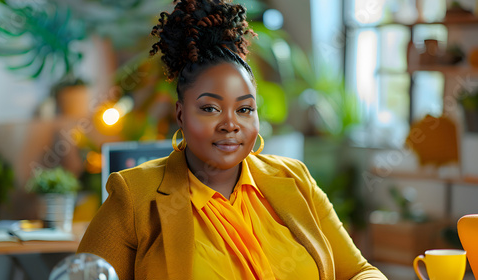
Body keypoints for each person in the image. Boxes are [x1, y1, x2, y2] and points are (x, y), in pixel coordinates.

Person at [77, 0, 387, 279]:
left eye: (244, 109)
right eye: (210, 108)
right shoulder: (134, 199)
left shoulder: (296, 180)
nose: (230, 124)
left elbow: (358, 272)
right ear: (181, 115)